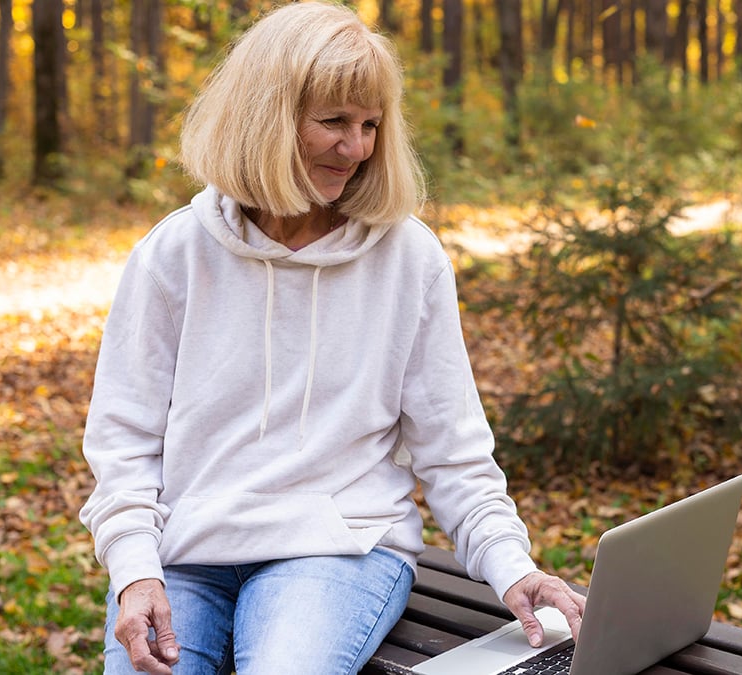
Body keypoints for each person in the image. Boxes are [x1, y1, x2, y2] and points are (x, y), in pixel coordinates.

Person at [77, 3, 586, 673]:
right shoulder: (174, 253)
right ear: (267, 116)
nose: (358, 148)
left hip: (340, 549)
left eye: (371, 124)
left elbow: (453, 451)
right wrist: (135, 569)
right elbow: (123, 442)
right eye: (334, 122)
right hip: (190, 551)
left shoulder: (409, 259)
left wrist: (512, 564)